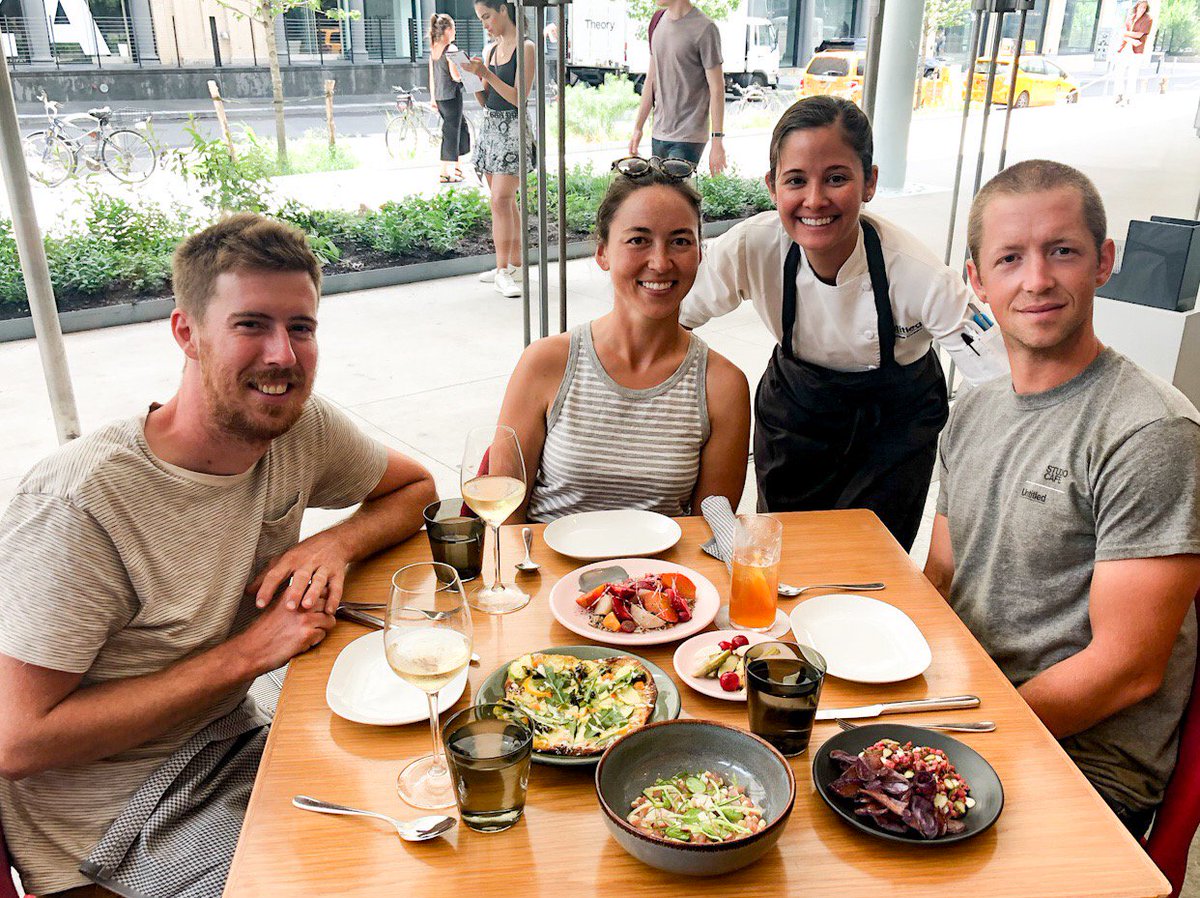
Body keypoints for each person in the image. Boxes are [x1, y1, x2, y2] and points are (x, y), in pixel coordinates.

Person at [0, 214, 437, 897]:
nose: (283, 357)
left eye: (301, 328)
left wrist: (335, 540)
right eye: (251, 325)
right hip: (111, 828)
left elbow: (416, 489)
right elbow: (17, 742)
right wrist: (251, 652)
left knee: (444, 794)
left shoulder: (299, 427)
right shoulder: (79, 505)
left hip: (234, 750)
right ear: (187, 333)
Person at [925, 159, 1200, 836]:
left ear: (1104, 262)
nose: (1037, 280)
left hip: (1082, 766)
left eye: (1063, 252)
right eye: (1010, 258)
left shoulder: (1150, 431)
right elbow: (941, 575)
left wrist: (955, 742)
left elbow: (1126, 670)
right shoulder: (973, 412)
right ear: (977, 280)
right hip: (975, 713)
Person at [680, 97, 1004, 552]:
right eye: (796, 180)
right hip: (795, 416)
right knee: (785, 556)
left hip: (894, 428)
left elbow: (1002, 377)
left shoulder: (918, 274)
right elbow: (675, 320)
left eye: (836, 178)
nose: (815, 200)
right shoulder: (752, 246)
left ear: (869, 182)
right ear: (772, 186)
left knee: (871, 563)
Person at [498, 158, 751, 523]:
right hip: (545, 573)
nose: (661, 263)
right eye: (638, 240)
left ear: (700, 253)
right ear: (602, 252)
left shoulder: (722, 385)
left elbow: (710, 530)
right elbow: (503, 517)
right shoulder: (546, 363)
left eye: (680, 241)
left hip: (661, 578)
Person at [463, 0, 536, 299]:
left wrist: (488, 75)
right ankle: (513, 265)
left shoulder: (526, 47)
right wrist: (470, 78)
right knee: (505, 201)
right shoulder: (490, 50)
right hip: (491, 127)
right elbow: (486, 99)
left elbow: (520, 98)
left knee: (500, 199)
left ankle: (503, 270)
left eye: (487, 16)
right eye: (481, 19)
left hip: (513, 128)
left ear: (504, 10)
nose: (485, 24)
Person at [628, 0, 727, 174]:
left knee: (671, 193)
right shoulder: (656, 22)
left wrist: (717, 141)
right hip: (659, 132)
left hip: (689, 135)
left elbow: (717, 88)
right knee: (662, 195)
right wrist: (638, 127)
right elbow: (651, 79)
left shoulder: (705, 28)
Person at [428, 13, 470, 184]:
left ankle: (458, 168)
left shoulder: (434, 48)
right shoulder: (451, 49)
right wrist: (466, 73)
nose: (455, 32)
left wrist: (432, 99)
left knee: (461, 128)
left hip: (439, 97)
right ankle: (445, 172)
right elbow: (455, 76)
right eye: (453, 28)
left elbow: (432, 76)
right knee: (451, 132)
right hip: (452, 95)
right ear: (447, 30)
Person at [1114, 0, 1153, 106]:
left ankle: (1128, 98)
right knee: (1118, 72)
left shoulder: (1148, 19)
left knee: (1132, 74)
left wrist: (1126, 34)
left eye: (1144, 7)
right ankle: (1119, 94)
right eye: (1141, 7)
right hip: (1125, 48)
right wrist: (1130, 39)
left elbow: (1139, 35)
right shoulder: (1130, 17)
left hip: (1137, 51)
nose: (1142, 9)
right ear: (1136, 7)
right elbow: (1122, 33)